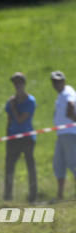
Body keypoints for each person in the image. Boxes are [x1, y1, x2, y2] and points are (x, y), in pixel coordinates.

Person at [4, 72, 37, 202]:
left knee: (30, 166)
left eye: (19, 83)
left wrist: (13, 106)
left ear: (24, 84)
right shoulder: (11, 101)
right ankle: (7, 196)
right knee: (9, 167)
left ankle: (33, 196)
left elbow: (20, 119)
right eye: (15, 83)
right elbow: (9, 119)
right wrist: (7, 135)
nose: (17, 85)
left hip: (27, 137)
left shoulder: (30, 101)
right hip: (13, 137)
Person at [50, 71, 76, 200]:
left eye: (59, 81)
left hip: (69, 133)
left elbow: (71, 104)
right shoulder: (60, 95)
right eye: (54, 82)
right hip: (61, 134)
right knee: (58, 163)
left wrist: (71, 116)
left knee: (72, 162)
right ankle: (60, 195)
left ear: (64, 81)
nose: (57, 84)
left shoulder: (68, 91)